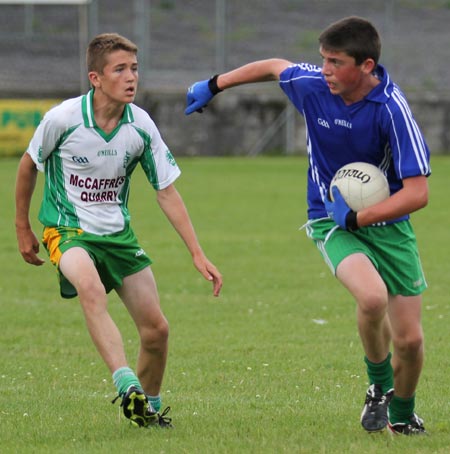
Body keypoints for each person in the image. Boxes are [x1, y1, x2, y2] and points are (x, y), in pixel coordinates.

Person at [185, 16, 430, 435]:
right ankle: (379, 389)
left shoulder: (392, 108)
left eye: (336, 62)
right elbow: (273, 65)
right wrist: (215, 83)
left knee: (410, 342)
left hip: (386, 225)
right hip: (328, 219)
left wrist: (359, 215)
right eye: (323, 60)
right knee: (371, 300)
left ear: (367, 65)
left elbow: (417, 192)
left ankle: (403, 415)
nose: (325, 70)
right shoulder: (313, 85)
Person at [15, 32, 222, 428]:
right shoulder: (63, 118)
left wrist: (197, 252)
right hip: (67, 230)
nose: (131, 78)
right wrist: (23, 227)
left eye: (135, 69)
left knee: (157, 330)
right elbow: (28, 166)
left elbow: (167, 192)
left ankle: (149, 408)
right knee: (90, 290)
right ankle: (126, 384)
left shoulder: (140, 125)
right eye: (120, 70)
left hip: (118, 236)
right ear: (96, 78)